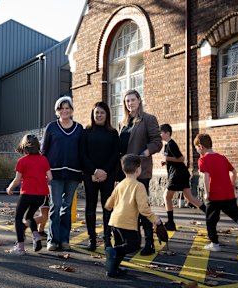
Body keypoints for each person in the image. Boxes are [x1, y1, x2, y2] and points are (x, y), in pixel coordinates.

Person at [193, 133, 238, 252]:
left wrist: (207, 193)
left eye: (196, 148)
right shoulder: (222, 158)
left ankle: (215, 244)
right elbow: (233, 172)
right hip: (228, 194)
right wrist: (231, 185)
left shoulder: (203, 159)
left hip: (214, 196)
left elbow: (206, 177)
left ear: (201, 146)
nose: (197, 150)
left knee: (211, 221)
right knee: (237, 216)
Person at [117, 89, 162, 256]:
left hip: (140, 171)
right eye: (127, 101)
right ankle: (132, 242)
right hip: (124, 173)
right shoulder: (122, 122)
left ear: (139, 100)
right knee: (128, 208)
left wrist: (145, 153)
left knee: (142, 208)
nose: (130, 103)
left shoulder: (148, 119)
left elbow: (157, 142)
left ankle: (149, 243)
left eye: (132, 100)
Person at [104, 154, 162, 277]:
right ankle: (112, 252)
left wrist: (109, 208)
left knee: (121, 247)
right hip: (127, 223)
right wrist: (154, 219)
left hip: (114, 221)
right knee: (133, 245)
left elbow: (109, 203)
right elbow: (143, 208)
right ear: (138, 169)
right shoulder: (139, 186)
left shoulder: (120, 184)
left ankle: (113, 270)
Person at [42, 96, 83, 251]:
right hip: (54, 174)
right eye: (62, 108)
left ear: (71, 110)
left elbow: (82, 152)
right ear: (57, 111)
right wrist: (44, 172)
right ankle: (52, 240)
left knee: (67, 206)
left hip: (73, 173)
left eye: (68, 108)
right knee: (56, 205)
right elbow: (44, 151)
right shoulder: (51, 127)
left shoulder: (79, 128)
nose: (65, 111)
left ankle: (64, 240)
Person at [79, 101, 120, 251]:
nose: (99, 115)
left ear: (107, 115)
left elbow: (116, 154)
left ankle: (107, 240)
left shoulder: (113, 133)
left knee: (107, 208)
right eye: (97, 112)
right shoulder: (86, 132)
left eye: (102, 112)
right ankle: (92, 240)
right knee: (90, 207)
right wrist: (94, 171)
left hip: (107, 176)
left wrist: (104, 172)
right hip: (90, 176)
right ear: (93, 114)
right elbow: (82, 154)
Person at [6, 134, 53, 254]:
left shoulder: (22, 161)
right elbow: (50, 177)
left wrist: (10, 188)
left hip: (27, 193)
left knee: (18, 217)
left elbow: (17, 180)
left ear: (24, 146)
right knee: (29, 216)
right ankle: (36, 235)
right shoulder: (44, 159)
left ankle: (20, 246)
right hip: (41, 195)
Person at [159, 124, 206, 231]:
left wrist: (167, 158)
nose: (159, 135)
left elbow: (181, 158)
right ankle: (210, 213)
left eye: (161, 133)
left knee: (166, 196)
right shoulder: (167, 145)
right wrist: (166, 161)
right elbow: (173, 159)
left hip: (177, 175)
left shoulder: (171, 144)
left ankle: (170, 223)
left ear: (167, 133)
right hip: (181, 174)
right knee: (190, 198)